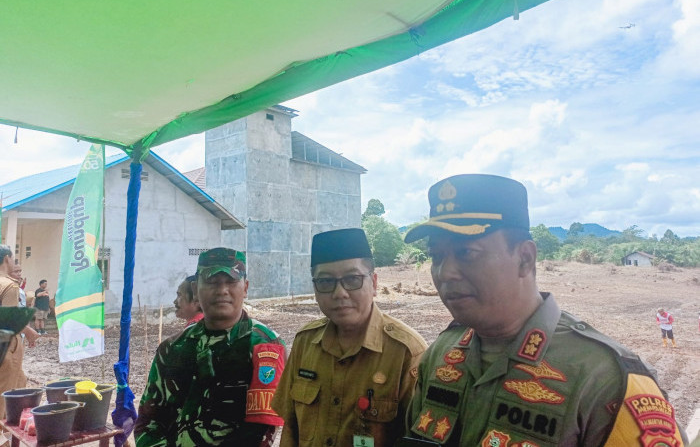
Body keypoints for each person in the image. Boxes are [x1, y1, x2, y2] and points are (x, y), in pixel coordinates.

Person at [402, 174, 687, 446]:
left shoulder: (604, 380)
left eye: (467, 253)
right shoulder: (441, 353)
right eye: (436, 256)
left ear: (525, 258)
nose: (445, 272)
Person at [272, 228, 427, 447]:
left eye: (352, 279)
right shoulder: (305, 342)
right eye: (326, 282)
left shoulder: (407, 352)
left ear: (373, 283)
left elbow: (416, 439)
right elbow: (289, 428)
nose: (339, 293)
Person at [135, 248, 286, 447]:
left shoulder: (264, 345)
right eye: (212, 282)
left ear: (245, 287)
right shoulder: (171, 349)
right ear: (196, 288)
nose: (222, 290)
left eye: (231, 281)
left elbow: (260, 432)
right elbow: (148, 420)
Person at [0, 245, 28, 420]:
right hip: (7, 346)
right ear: (6, 259)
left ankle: (13, 427)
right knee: (4, 393)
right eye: (13, 258)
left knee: (21, 381)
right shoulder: (9, 286)